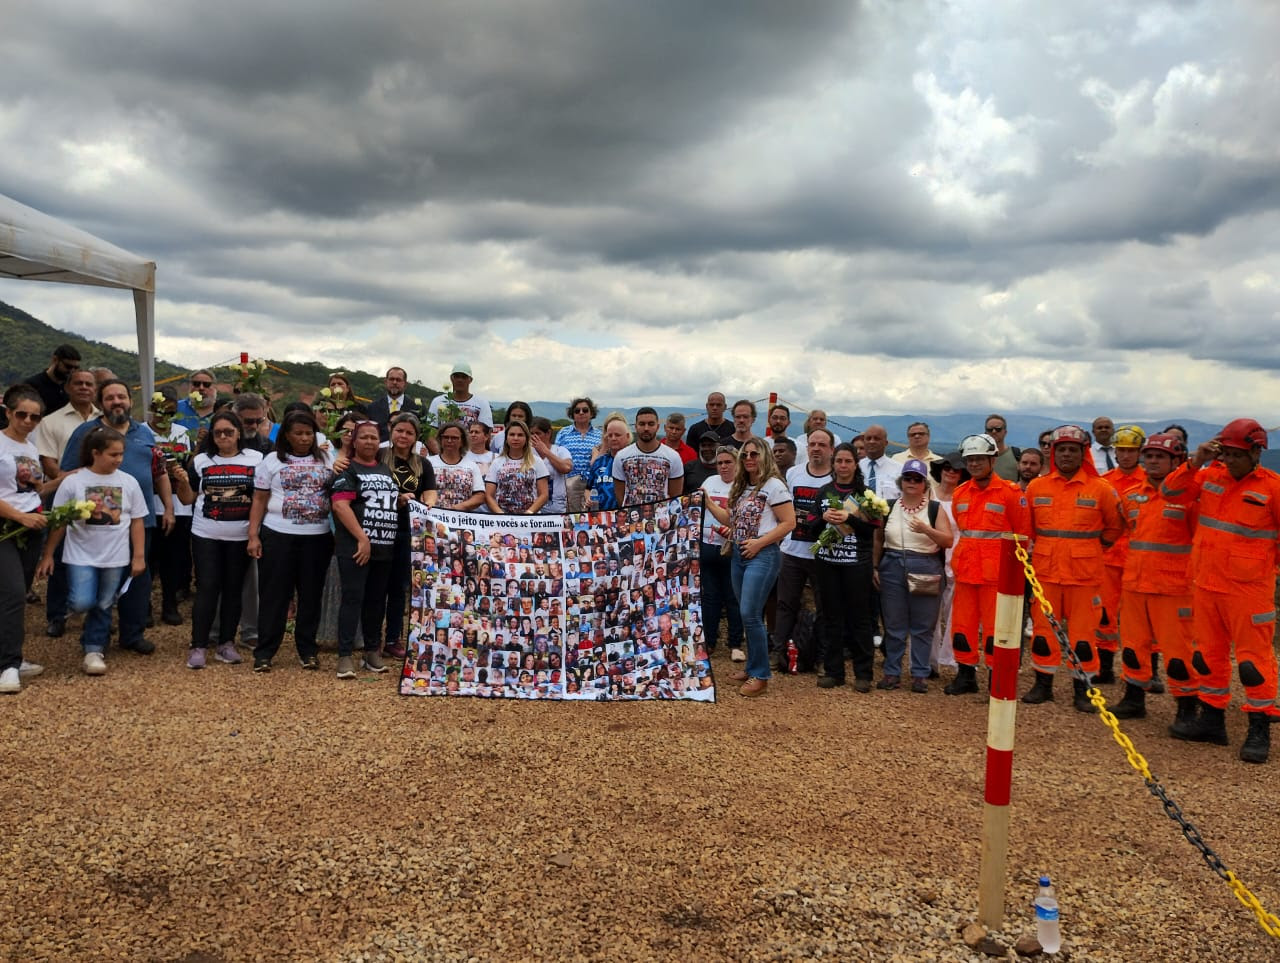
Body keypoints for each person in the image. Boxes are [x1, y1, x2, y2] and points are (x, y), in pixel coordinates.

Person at [1161, 418, 1280, 763]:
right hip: (1206, 584)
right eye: (1225, 453)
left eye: (1237, 454)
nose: (1230, 460)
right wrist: (1196, 460)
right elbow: (1169, 492)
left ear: (1257, 452)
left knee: (1253, 663)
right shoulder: (1209, 475)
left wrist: (1263, 568)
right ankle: (1212, 721)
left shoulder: (1272, 488)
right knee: (1207, 656)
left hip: (1249, 590)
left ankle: (1259, 728)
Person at [60, 379, 173, 656]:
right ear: (101, 402)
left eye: (121, 396)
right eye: (110, 398)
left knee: (137, 580)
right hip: (96, 527)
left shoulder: (144, 433)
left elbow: (158, 471)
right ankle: (95, 639)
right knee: (101, 584)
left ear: (130, 400)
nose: (117, 402)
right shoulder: (86, 432)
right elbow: (68, 473)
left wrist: (168, 507)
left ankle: (132, 635)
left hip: (140, 520)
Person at [1021, 425, 1124, 712]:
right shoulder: (1037, 487)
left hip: (1084, 576)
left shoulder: (1101, 489)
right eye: (1061, 449)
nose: (1066, 454)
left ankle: (1084, 689)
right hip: (1045, 572)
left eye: (1073, 450)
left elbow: (1115, 527)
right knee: (1042, 633)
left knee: (1083, 637)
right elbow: (1027, 528)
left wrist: (1091, 549)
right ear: (1053, 453)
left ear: (1083, 453)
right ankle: (1043, 684)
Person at [37, 427, 147, 676]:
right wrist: (48, 554)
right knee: (82, 600)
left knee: (105, 602)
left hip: (116, 556)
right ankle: (80, 620)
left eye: (121, 454)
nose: (119, 459)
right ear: (95, 453)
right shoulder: (74, 482)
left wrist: (138, 555)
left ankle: (93, 648)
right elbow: (60, 521)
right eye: (113, 454)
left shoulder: (128, 482)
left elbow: (138, 520)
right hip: (80, 555)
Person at [1108, 433, 1195, 723]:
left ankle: (1186, 709)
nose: (1154, 461)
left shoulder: (1190, 498)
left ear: (1176, 461)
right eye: (1151, 456)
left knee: (1178, 653)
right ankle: (1134, 699)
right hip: (1135, 584)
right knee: (1133, 646)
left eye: (1161, 456)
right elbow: (1118, 531)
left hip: (1174, 588)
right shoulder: (1131, 495)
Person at [702, 436, 795, 697]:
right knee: (748, 615)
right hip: (740, 553)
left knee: (751, 613)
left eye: (754, 454)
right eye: (746, 455)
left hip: (762, 555)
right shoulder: (743, 486)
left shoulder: (774, 486)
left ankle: (761, 674)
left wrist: (759, 543)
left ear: (764, 456)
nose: (750, 459)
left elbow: (789, 523)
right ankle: (753, 666)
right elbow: (730, 520)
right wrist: (708, 502)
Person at [171, 410, 263, 669]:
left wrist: (256, 533)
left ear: (238, 434)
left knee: (234, 590)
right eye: (218, 432)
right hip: (206, 534)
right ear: (212, 435)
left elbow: (261, 496)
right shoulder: (200, 460)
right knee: (208, 588)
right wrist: (180, 481)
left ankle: (226, 643)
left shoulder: (256, 458)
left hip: (241, 535)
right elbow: (188, 499)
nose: (224, 437)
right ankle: (198, 645)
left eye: (229, 432)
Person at [248, 411, 336, 672]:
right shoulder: (272, 461)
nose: (304, 438)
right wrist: (253, 535)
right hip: (278, 535)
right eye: (298, 433)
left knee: (311, 595)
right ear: (286, 434)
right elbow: (259, 499)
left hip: (317, 538)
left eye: (308, 433)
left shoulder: (327, 460)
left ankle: (307, 649)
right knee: (275, 595)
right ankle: (265, 652)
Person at [944, 434, 1031, 696]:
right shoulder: (960, 493)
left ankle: (997, 678)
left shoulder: (1010, 494)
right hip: (967, 571)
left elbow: (1023, 534)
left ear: (992, 459)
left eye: (980, 459)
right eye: (970, 459)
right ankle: (966, 675)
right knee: (962, 627)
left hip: (997, 576)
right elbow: (964, 530)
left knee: (996, 631)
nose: (974, 464)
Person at [873, 459, 953, 692]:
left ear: (924, 483)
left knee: (923, 624)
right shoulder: (889, 507)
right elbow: (879, 539)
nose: (912, 483)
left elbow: (947, 540)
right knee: (894, 623)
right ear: (901, 481)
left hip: (925, 565)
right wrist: (875, 567)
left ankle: (920, 673)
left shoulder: (934, 509)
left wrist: (926, 529)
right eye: (908, 478)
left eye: (917, 479)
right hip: (892, 565)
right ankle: (892, 672)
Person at [331, 420, 402, 678]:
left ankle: (372, 650)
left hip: (384, 548)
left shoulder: (385, 470)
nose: (370, 442)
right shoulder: (347, 469)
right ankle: (345, 655)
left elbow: (385, 501)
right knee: (352, 598)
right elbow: (340, 506)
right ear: (354, 441)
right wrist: (362, 539)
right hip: (357, 547)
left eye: (374, 437)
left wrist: (402, 499)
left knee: (375, 601)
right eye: (364, 438)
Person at [810, 443, 878, 691]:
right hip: (827, 564)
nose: (843, 466)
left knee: (859, 619)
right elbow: (810, 529)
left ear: (855, 464)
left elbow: (872, 529)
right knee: (830, 619)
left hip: (856, 565)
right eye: (839, 461)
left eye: (848, 461)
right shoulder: (824, 492)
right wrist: (822, 519)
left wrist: (850, 518)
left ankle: (863, 674)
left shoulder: (865, 494)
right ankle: (834, 671)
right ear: (833, 463)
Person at [0, 387, 54, 692]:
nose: (28, 421)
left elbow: (33, 489)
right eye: (22, 414)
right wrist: (19, 517)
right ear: (8, 412)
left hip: (31, 526)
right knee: (11, 593)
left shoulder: (31, 448)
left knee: (16, 596)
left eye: (35, 416)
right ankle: (7, 665)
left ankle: (11, 657)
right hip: (6, 526)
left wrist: (69, 478)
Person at [774, 428, 834, 672]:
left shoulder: (835, 479)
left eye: (822, 444)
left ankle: (821, 658)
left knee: (824, 607)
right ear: (806, 447)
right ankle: (778, 654)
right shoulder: (794, 473)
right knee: (785, 604)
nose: (816, 448)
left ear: (831, 449)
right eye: (812, 444)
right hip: (792, 550)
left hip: (823, 554)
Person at [381, 413, 437, 660]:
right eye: (399, 431)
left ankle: (392, 639)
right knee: (374, 586)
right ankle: (368, 638)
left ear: (416, 437)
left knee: (398, 588)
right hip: (380, 528)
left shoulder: (422, 463)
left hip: (408, 531)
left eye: (409, 433)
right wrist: (397, 500)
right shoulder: (379, 458)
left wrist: (427, 506)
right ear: (391, 431)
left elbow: (430, 492)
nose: (403, 436)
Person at [1096, 425, 1147, 684]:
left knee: (1139, 620)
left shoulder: (1150, 483)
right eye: (1122, 450)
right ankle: (1105, 669)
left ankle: (1146, 672)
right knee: (1104, 614)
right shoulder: (1105, 483)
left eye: (1131, 451)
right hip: (1109, 558)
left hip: (1138, 561)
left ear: (1140, 452)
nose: (1125, 455)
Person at [148, 386, 195, 626]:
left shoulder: (182, 433)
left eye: (170, 412)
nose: (165, 417)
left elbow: (187, 464)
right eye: (160, 411)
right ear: (151, 409)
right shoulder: (141, 433)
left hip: (179, 506)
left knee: (173, 558)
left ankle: (169, 604)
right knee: (148, 559)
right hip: (150, 504)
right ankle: (143, 607)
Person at [698, 445, 743, 657]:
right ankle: (710, 641)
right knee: (710, 596)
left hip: (732, 547)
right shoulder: (709, 482)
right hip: (708, 545)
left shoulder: (743, 485)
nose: (723, 467)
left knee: (733, 596)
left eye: (728, 462)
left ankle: (735, 643)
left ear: (737, 463)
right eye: (720, 463)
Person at [929, 451, 968, 675]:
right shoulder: (929, 496)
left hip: (959, 560)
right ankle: (930, 662)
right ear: (940, 471)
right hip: (932, 559)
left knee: (955, 616)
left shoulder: (964, 497)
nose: (951, 472)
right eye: (947, 468)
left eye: (956, 469)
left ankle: (952, 660)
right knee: (929, 616)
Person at [33, 367, 98, 481]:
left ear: (95, 390)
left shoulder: (105, 420)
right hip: (64, 489)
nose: (84, 387)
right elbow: (49, 464)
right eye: (78, 383)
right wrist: (74, 483)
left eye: (88, 384)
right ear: (67, 388)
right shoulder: (49, 422)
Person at [612, 407, 684, 507]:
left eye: (651, 424)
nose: (646, 428)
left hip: (661, 517)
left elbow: (675, 495)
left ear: (657, 427)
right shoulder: (622, 457)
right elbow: (620, 496)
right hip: (631, 517)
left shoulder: (672, 457)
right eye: (642, 424)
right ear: (636, 426)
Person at [484, 422, 549, 514]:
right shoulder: (496, 462)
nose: (515, 438)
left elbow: (544, 494)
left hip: (530, 518)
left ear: (526, 438)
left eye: (520, 435)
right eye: (512, 434)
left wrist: (530, 512)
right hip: (502, 519)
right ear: (506, 438)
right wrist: (500, 514)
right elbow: (489, 495)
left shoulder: (537, 461)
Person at [556, 397, 601, 511]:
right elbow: (556, 456)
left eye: (585, 410)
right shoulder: (563, 433)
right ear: (572, 414)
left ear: (591, 413)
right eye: (577, 410)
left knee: (593, 514)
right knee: (571, 515)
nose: (581, 413)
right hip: (569, 480)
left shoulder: (600, 435)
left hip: (593, 482)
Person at [428, 422, 486, 510]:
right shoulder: (428, 462)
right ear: (440, 439)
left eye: (454, 438)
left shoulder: (472, 466)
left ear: (462, 441)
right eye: (446, 437)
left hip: (461, 518)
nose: (449, 440)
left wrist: (460, 507)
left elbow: (480, 496)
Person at [427, 362, 492, 434]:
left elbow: (486, 433)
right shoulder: (438, 402)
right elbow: (430, 432)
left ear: (470, 380)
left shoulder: (482, 403)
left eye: (464, 377)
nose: (460, 380)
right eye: (456, 376)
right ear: (451, 378)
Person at [585, 414, 629, 511]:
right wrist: (588, 498)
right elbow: (588, 488)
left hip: (624, 514)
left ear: (627, 436)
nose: (613, 438)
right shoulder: (599, 462)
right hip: (601, 515)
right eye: (610, 435)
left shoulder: (632, 462)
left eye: (617, 435)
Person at [22, 343, 81, 416]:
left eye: (76, 368)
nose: (72, 371)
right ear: (55, 360)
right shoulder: (32, 385)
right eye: (68, 366)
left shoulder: (71, 387)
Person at [530, 417, 573, 513]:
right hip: (533, 506)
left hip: (556, 508)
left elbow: (566, 468)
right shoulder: (528, 453)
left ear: (548, 433)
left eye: (537, 433)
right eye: (531, 434)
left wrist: (545, 451)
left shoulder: (560, 450)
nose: (534, 437)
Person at [367, 367, 424, 439]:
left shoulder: (416, 409)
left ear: (405, 384)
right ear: (385, 382)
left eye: (398, 380)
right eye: (391, 379)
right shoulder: (373, 407)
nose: (394, 382)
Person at [859, 424, 901, 500]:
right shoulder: (856, 467)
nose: (872, 441)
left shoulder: (899, 469)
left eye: (876, 438)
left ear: (886, 443)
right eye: (868, 438)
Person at [174, 370, 218, 436]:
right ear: (190, 386)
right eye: (196, 384)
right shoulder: (176, 407)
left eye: (206, 384)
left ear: (214, 387)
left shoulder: (222, 410)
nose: (201, 388)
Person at [984, 414, 1020, 482]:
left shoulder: (1017, 455)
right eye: (990, 429)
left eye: (998, 429)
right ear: (985, 433)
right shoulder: (979, 458)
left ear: (1005, 432)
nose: (994, 432)